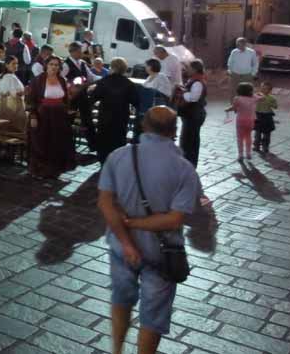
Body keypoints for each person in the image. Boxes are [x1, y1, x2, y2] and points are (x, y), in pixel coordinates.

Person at [97, 106, 202, 354]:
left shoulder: (118, 156)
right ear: (174, 131)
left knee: (121, 298)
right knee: (153, 314)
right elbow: (174, 220)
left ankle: (117, 350)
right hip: (162, 253)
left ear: (144, 126)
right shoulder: (184, 169)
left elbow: (105, 203)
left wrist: (127, 239)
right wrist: (136, 223)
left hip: (121, 248)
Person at [27, 56, 75, 178]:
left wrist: (67, 110)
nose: (54, 67)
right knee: (42, 143)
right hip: (43, 116)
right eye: (51, 64)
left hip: (59, 116)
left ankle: (54, 170)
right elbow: (31, 100)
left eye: (56, 65)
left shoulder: (62, 80)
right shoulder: (38, 80)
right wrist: (33, 116)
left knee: (57, 143)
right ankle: (40, 170)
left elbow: (65, 99)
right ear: (46, 66)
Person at [88, 58, 140, 164]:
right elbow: (136, 101)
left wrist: (90, 91)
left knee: (104, 139)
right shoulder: (129, 83)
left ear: (111, 68)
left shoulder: (104, 81)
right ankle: (117, 162)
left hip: (105, 116)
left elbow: (94, 97)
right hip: (121, 117)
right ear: (124, 69)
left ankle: (103, 162)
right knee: (118, 139)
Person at [178, 60, 207, 168]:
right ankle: (187, 162)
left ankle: (190, 163)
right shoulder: (193, 80)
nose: (187, 70)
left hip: (194, 115)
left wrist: (183, 93)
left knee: (190, 140)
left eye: (189, 68)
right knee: (187, 139)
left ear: (195, 69)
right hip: (190, 115)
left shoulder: (197, 82)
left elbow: (193, 98)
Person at [0, 56, 28, 136]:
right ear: (7, 65)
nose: (16, 65)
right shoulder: (9, 77)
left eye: (16, 63)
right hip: (14, 108)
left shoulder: (10, 76)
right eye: (13, 64)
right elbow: (14, 94)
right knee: (14, 130)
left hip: (11, 107)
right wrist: (26, 91)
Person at [227, 82, 257, 161]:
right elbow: (263, 98)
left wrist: (228, 109)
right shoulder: (253, 98)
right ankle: (248, 153)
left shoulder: (237, 98)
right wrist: (258, 94)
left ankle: (240, 154)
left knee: (240, 138)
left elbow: (234, 108)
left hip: (240, 121)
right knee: (248, 137)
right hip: (251, 120)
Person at [253, 81, 277, 154]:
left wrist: (268, 102)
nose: (263, 90)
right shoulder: (256, 96)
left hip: (267, 116)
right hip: (258, 115)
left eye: (266, 89)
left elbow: (275, 106)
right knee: (257, 133)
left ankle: (265, 146)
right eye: (262, 88)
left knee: (267, 133)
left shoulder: (272, 98)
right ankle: (256, 145)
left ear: (270, 90)